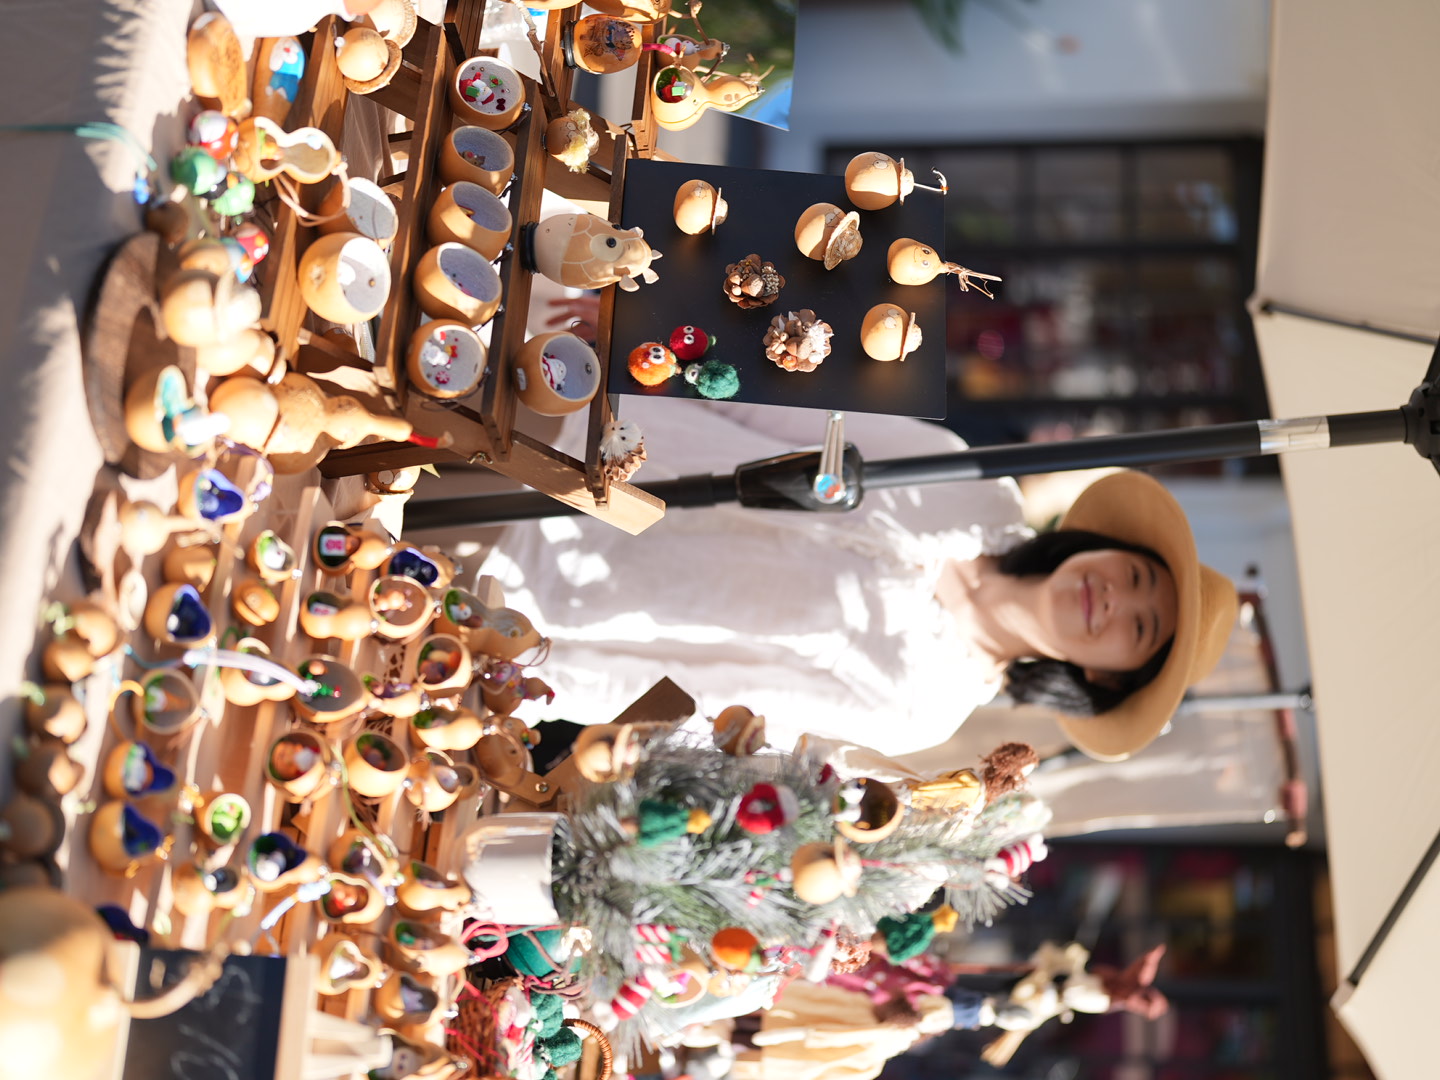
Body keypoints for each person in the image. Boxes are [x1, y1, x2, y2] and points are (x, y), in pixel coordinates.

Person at [479, 399, 1236, 760]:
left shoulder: (924, 706)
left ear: (1100, 680)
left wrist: (544, 676)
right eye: (1136, 575)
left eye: (1139, 626)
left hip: (536, 607)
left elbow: (720, 704)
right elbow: (781, 419)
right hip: (576, 447)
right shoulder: (972, 485)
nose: (1116, 597)